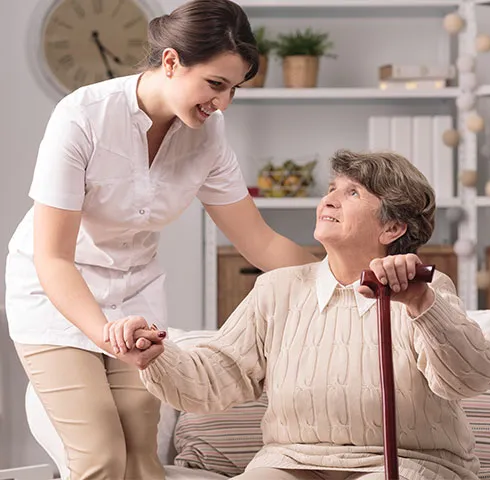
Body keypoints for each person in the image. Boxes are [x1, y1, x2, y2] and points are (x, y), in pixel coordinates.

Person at [4, 0, 317, 478]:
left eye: (234, 89)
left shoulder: (208, 135)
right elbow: (53, 257)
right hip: (56, 295)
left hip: (135, 295)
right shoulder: (83, 116)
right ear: (171, 62)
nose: (223, 103)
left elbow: (260, 243)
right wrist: (105, 334)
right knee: (102, 456)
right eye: (216, 84)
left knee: (143, 461)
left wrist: (348, 276)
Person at [106, 150, 490, 480]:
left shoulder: (426, 289)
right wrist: (158, 355)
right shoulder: (277, 289)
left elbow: (468, 379)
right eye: (331, 190)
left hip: (412, 461)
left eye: (352, 193)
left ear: (392, 227)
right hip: (291, 459)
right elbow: (217, 375)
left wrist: (419, 303)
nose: (329, 200)